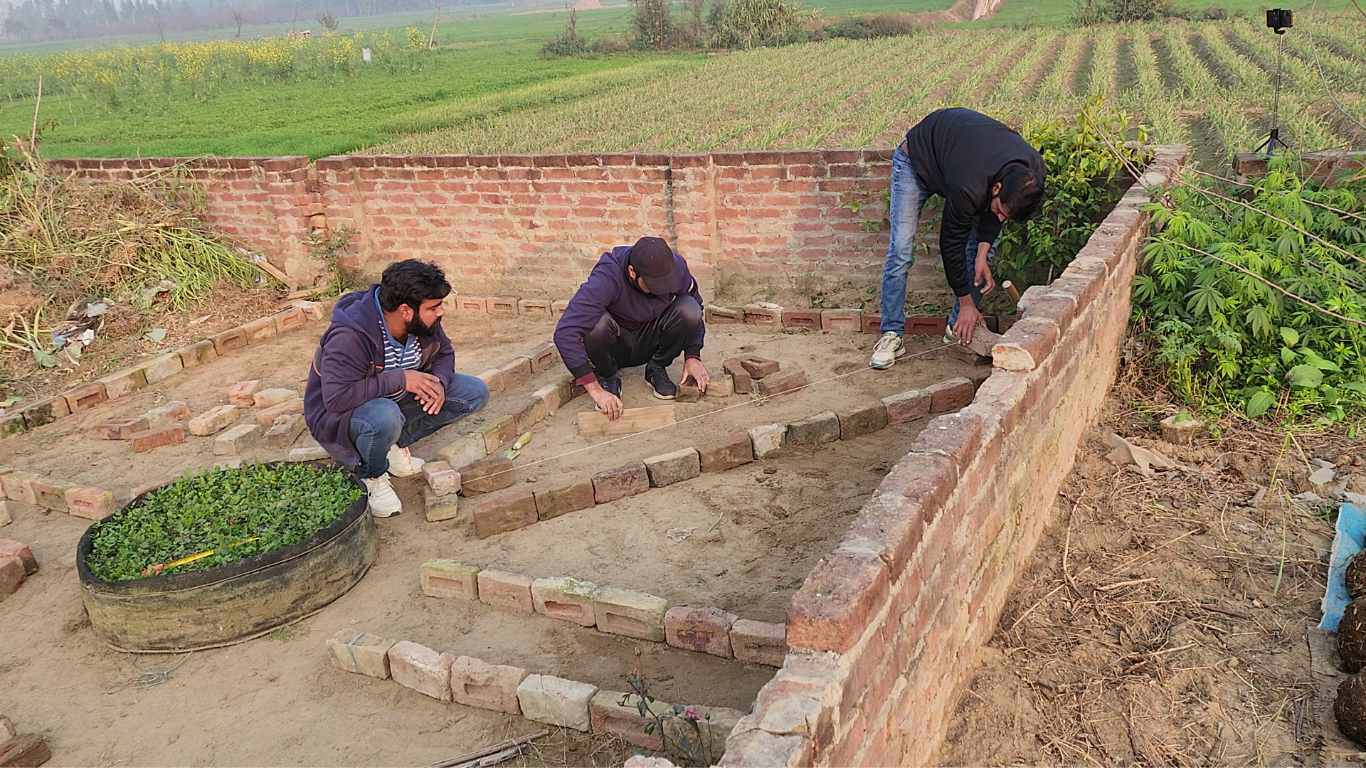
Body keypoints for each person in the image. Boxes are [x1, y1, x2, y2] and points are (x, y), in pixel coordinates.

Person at [304, 259, 489, 517]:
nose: (440, 312)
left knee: (474, 392)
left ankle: (390, 445)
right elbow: (336, 398)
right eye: (434, 307)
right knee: (384, 417)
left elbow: (445, 354)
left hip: (393, 399)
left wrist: (439, 384)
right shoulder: (350, 335)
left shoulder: (423, 322)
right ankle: (372, 475)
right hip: (343, 415)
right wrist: (402, 380)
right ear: (405, 310)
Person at [870, 107, 1046, 370]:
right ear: (996, 188)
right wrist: (966, 300)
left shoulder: (1031, 176)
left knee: (983, 251)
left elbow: (996, 216)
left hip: (958, 160)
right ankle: (891, 332)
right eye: (999, 209)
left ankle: (957, 329)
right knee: (902, 249)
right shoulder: (970, 184)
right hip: (916, 162)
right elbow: (950, 243)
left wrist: (982, 253)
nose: (1000, 218)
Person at [554, 236, 709, 419]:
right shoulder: (608, 276)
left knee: (689, 309)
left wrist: (693, 355)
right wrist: (595, 390)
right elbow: (565, 332)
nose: (661, 290)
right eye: (654, 285)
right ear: (632, 272)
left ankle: (656, 368)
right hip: (615, 345)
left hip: (651, 339)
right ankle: (609, 377)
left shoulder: (676, 268)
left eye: (665, 285)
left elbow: (696, 305)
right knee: (595, 324)